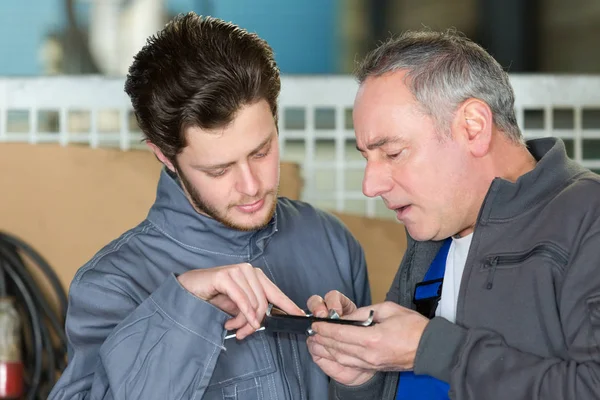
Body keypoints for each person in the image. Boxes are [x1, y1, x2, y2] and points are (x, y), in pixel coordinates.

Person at [49, 12, 370, 400]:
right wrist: (185, 307)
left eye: (261, 151)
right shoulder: (112, 286)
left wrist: (361, 378)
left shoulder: (331, 242)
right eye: (219, 170)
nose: (251, 186)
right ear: (165, 156)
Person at [306, 29, 600, 400]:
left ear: (472, 127)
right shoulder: (432, 235)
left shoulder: (587, 219)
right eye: (367, 158)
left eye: (393, 153)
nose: (370, 185)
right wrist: (362, 375)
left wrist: (434, 350)